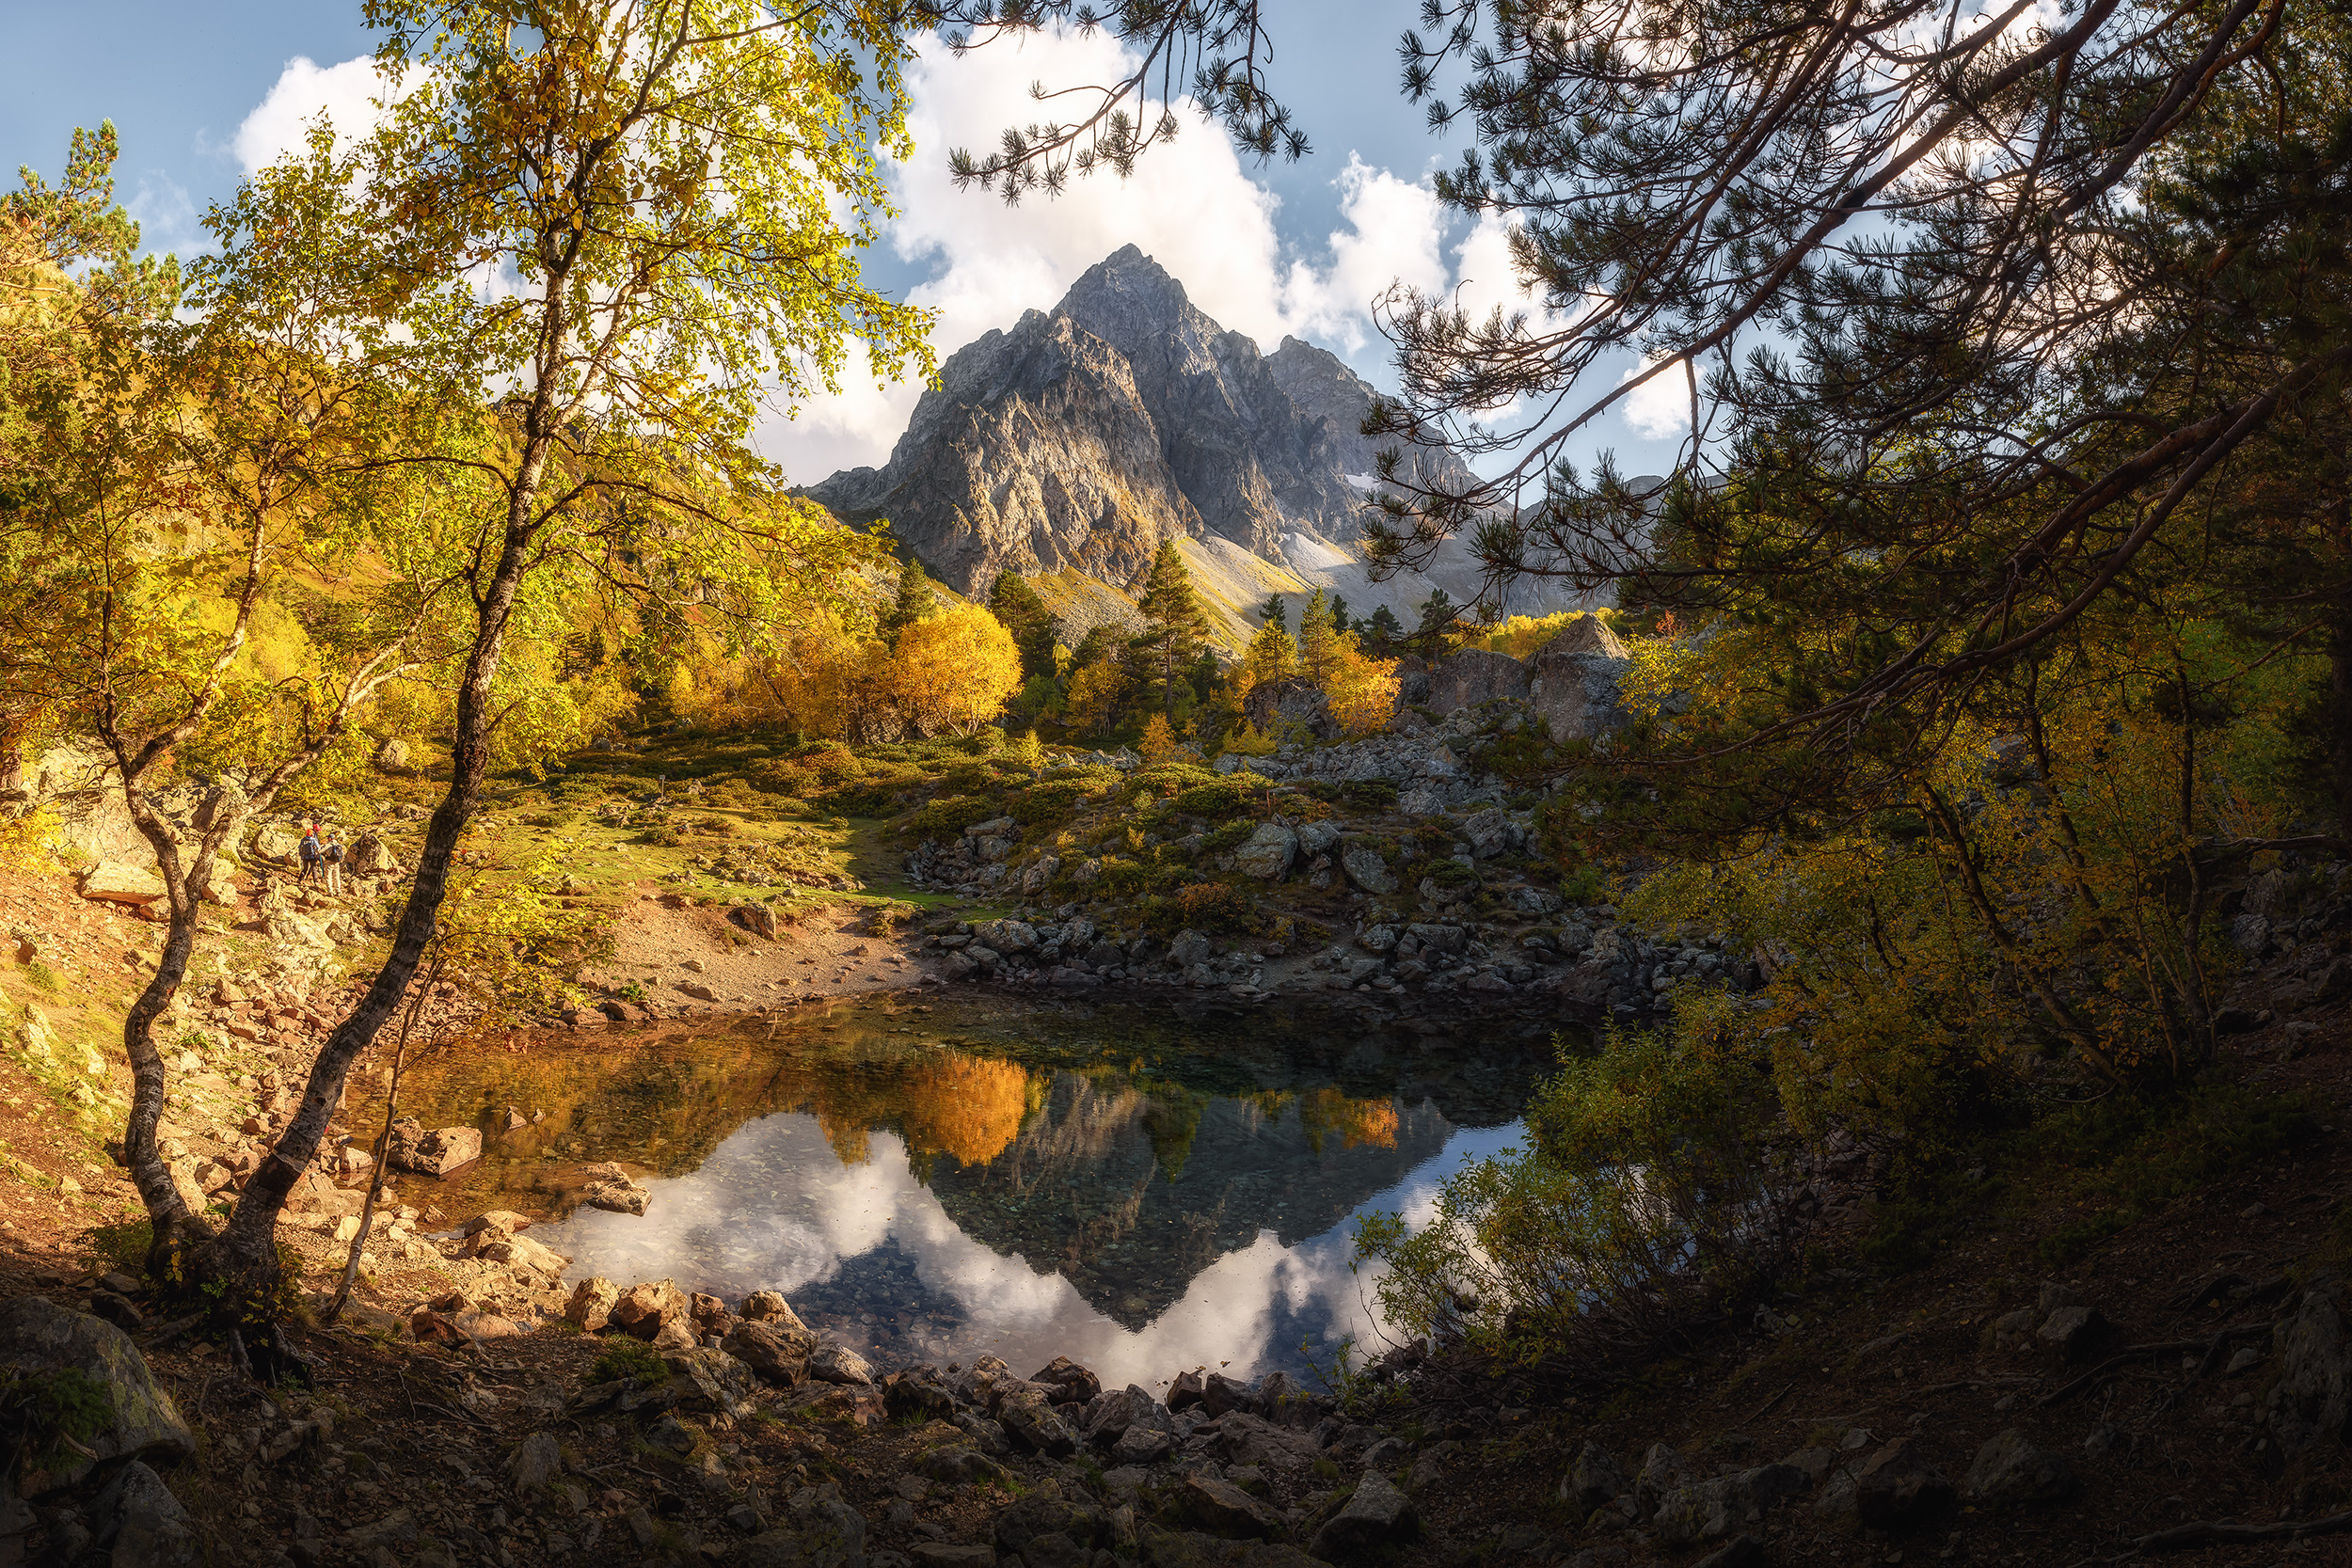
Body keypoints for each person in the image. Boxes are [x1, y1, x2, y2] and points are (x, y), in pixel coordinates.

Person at [297, 821, 324, 885]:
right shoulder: (313, 839)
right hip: (312, 856)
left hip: (304, 857)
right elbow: (318, 847)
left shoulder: (303, 840)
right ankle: (316, 881)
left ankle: (300, 879)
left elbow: (300, 847)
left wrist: (301, 855)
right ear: (312, 834)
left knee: (305, 868)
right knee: (314, 868)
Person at [323, 831, 346, 896]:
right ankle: (338, 891)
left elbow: (319, 851)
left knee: (328, 877)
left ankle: (330, 891)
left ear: (330, 838)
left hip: (329, 863)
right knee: (336, 877)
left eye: (328, 838)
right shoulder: (339, 845)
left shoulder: (328, 845)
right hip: (336, 863)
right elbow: (342, 854)